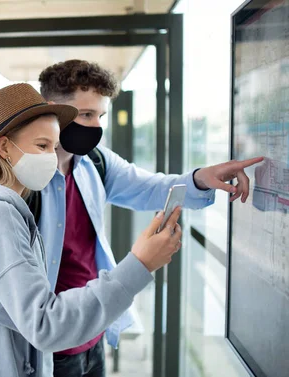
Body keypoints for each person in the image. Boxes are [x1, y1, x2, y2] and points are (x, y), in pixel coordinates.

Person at [0, 83, 184, 377]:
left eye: (54, 147)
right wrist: (140, 264)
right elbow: (45, 323)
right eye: (42, 146)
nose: (51, 158)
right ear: (5, 147)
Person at [36, 59, 264, 377]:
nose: (95, 126)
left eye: (100, 116)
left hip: (93, 332)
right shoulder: (23, 181)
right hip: (47, 348)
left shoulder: (95, 163)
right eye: (86, 114)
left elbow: (148, 187)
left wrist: (201, 177)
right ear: (50, 111)